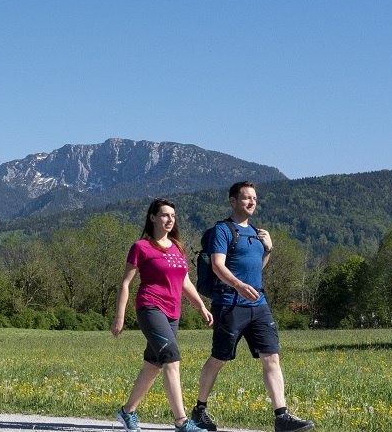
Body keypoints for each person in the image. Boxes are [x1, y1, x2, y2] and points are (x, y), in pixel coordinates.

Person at [190, 182, 314, 432]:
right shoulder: (222, 231)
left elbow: (257, 268)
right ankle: (199, 411)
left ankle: (282, 416)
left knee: (271, 357)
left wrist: (268, 249)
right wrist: (237, 285)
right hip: (229, 304)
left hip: (259, 304)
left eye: (254, 198)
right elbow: (217, 265)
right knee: (220, 358)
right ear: (233, 200)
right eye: (246, 198)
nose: (251, 202)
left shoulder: (258, 233)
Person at [110, 199, 214, 432]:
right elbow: (126, 283)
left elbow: (185, 282)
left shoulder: (177, 247)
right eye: (165, 215)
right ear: (153, 217)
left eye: (173, 216)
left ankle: (127, 412)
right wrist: (120, 316)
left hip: (172, 313)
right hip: (150, 307)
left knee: (153, 365)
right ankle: (181, 422)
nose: (170, 220)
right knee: (172, 358)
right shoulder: (141, 247)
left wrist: (201, 307)